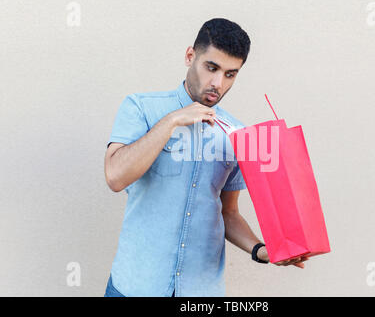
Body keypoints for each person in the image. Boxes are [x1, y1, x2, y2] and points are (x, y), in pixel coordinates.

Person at [103, 18, 308, 297]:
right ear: (190, 56)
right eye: (211, 67)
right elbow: (115, 176)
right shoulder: (142, 108)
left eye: (230, 74)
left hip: (201, 291)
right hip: (136, 285)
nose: (217, 83)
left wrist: (260, 250)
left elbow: (228, 212)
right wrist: (172, 121)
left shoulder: (236, 133)